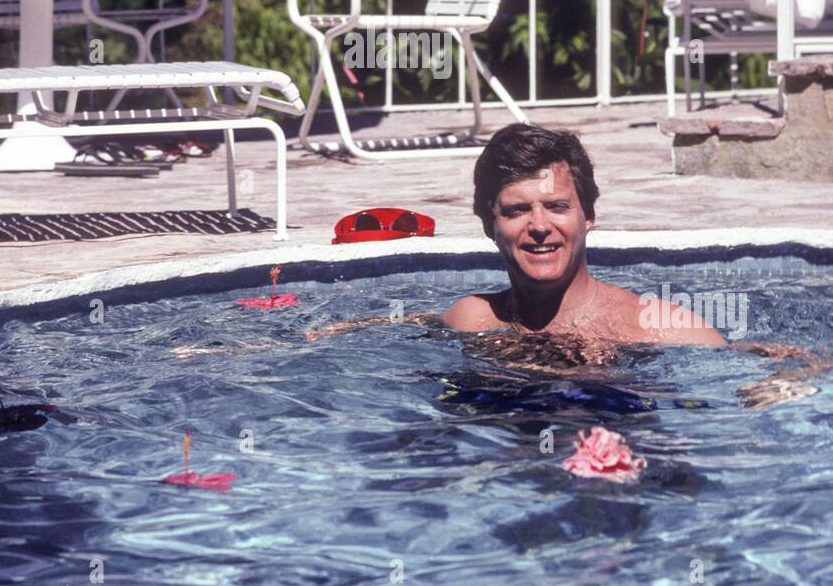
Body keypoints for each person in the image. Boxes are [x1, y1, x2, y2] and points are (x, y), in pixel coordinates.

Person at [304, 123, 828, 407]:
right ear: (490, 225)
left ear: (588, 216)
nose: (539, 226)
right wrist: (360, 325)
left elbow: (748, 366)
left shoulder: (650, 325)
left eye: (557, 206)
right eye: (516, 210)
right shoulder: (472, 318)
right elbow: (423, 328)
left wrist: (781, 378)